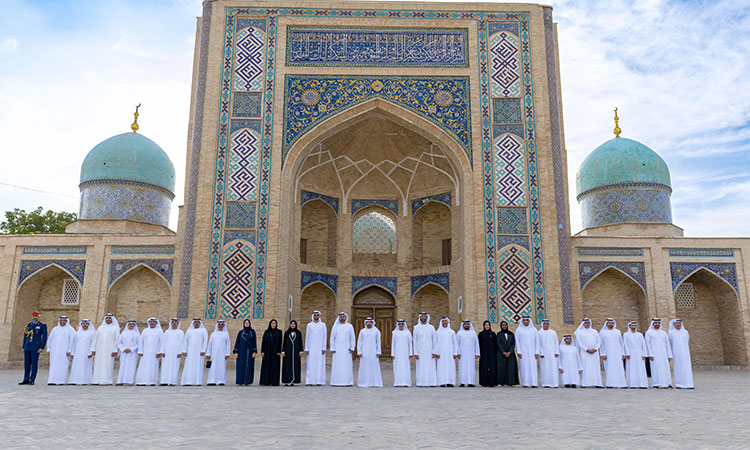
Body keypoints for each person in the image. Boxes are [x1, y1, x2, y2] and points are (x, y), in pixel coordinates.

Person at [90, 313, 120, 385]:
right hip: (99, 349)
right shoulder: (100, 328)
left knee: (108, 365)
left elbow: (117, 340)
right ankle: (96, 380)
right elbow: (95, 339)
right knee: (98, 364)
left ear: (112, 319)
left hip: (109, 350)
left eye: (109, 318)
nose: (108, 319)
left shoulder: (115, 328)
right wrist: (93, 349)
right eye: (107, 318)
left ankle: (107, 381)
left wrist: (115, 350)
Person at [19, 311, 47, 385]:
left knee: (34, 364)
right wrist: (23, 346)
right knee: (27, 364)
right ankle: (26, 379)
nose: (34, 317)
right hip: (27, 347)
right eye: (33, 316)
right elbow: (25, 336)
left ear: (39, 317)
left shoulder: (42, 325)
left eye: (36, 316)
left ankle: (32, 380)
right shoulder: (28, 325)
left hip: (35, 347)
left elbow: (44, 337)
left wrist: (41, 347)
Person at [574, 318, 603, 388]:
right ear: (583, 324)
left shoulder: (594, 331)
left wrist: (596, 349)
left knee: (595, 368)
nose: (587, 324)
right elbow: (579, 343)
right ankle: (584, 383)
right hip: (585, 353)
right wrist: (586, 349)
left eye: (588, 322)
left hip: (594, 353)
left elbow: (599, 341)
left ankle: (597, 383)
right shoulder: (579, 332)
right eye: (586, 323)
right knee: (585, 368)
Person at [46, 315, 75, 385]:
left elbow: (72, 341)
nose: (62, 322)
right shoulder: (55, 329)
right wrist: (48, 349)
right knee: (53, 365)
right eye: (61, 320)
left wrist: (70, 350)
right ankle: (51, 380)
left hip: (64, 352)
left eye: (64, 320)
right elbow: (50, 339)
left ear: (67, 321)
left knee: (62, 366)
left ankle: (60, 381)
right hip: (54, 351)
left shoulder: (70, 330)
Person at [329, 312, 355, 386]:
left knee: (347, 365)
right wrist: (332, 348)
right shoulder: (335, 327)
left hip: (347, 350)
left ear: (346, 317)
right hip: (337, 350)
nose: (342, 318)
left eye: (343, 317)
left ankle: (348, 382)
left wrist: (352, 347)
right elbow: (332, 338)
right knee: (337, 365)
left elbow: (352, 338)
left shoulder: (350, 326)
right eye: (341, 317)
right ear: (339, 318)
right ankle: (336, 382)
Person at [599, 318, 627, 388]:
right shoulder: (602, 332)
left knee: (619, 368)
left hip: (618, 353)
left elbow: (621, 343)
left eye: (612, 323)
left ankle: (621, 384)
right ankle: (610, 384)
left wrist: (623, 353)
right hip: (608, 353)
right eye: (609, 323)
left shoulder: (618, 331)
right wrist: (603, 354)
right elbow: (601, 344)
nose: (610, 324)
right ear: (606, 324)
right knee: (609, 368)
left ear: (614, 324)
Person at [645, 318, 672, 388]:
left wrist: (669, 355)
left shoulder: (663, 333)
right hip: (654, 354)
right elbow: (647, 344)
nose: (657, 324)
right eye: (655, 323)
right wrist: (650, 354)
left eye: (658, 323)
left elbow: (667, 344)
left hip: (664, 354)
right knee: (655, 368)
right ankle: (656, 383)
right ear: (653, 324)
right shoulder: (649, 333)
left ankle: (667, 383)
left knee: (665, 368)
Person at [135, 318, 163, 386]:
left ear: (156, 323)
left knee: (153, 366)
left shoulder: (159, 331)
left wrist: (159, 352)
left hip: (154, 352)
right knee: (143, 366)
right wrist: (140, 351)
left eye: (153, 322)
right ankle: (141, 381)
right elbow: (141, 341)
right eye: (150, 322)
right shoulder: (145, 330)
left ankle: (152, 381)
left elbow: (161, 342)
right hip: (145, 352)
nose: (152, 323)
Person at [356, 317, 383, 387]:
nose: (369, 323)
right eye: (367, 322)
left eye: (370, 322)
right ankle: (364, 382)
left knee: (374, 367)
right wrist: (359, 352)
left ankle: (375, 383)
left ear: (372, 323)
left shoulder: (376, 331)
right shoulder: (362, 331)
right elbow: (359, 342)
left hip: (374, 352)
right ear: (365, 323)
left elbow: (378, 342)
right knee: (365, 367)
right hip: (364, 352)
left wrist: (378, 351)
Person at [68, 319, 96, 385]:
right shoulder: (77, 333)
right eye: (83, 323)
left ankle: (85, 381)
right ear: (81, 324)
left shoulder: (92, 333)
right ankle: (74, 380)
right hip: (77, 353)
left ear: (89, 324)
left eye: (86, 323)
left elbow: (93, 343)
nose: (85, 325)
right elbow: (74, 344)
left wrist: (91, 352)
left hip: (87, 353)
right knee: (76, 366)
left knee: (85, 366)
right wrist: (72, 353)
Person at [413, 312, 437, 387]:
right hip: (420, 351)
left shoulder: (431, 327)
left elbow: (434, 340)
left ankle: (431, 382)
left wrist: (434, 351)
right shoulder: (416, 328)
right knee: (420, 366)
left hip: (430, 351)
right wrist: (416, 353)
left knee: (430, 366)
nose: (423, 317)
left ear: (427, 318)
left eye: (425, 316)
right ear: (420, 317)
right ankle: (420, 382)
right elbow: (415, 341)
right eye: (422, 316)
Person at [181, 318, 208, 386]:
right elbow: (185, 341)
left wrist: (203, 350)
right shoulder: (189, 331)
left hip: (199, 352)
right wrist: (184, 350)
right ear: (193, 323)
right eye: (195, 322)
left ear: (200, 323)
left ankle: (198, 381)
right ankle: (188, 381)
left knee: (198, 366)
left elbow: (205, 341)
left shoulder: (203, 330)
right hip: (190, 352)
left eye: (198, 322)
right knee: (189, 366)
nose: (196, 323)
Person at [668, 319, 694, 389]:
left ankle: (689, 384)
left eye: (679, 323)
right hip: (677, 353)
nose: (678, 325)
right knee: (678, 368)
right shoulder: (671, 333)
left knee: (687, 368)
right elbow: (670, 343)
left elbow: (687, 341)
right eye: (676, 323)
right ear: (673, 325)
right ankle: (679, 384)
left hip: (686, 353)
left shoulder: (685, 332)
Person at [623, 321, 648, 389]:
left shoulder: (639, 334)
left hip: (639, 353)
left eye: (634, 326)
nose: (633, 327)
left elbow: (643, 344)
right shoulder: (626, 334)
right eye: (632, 326)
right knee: (631, 368)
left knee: (640, 369)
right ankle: (632, 384)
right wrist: (627, 353)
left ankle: (642, 384)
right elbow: (625, 344)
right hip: (630, 354)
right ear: (630, 326)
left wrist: (644, 354)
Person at [305, 310, 327, 386]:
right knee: (310, 364)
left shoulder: (323, 325)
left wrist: (324, 347)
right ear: (313, 316)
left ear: (319, 316)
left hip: (320, 348)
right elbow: (307, 337)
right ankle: (309, 381)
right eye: (315, 315)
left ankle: (319, 381)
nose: (316, 316)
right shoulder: (309, 325)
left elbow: (325, 337)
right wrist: (306, 348)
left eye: (317, 315)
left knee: (319, 364)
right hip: (311, 348)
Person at [159, 318, 184, 386]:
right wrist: (162, 351)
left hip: (176, 353)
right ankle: (164, 381)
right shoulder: (167, 332)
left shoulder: (180, 332)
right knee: (165, 366)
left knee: (174, 366)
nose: (174, 323)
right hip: (167, 352)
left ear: (178, 324)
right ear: (171, 323)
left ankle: (173, 382)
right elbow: (163, 342)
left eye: (176, 322)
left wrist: (180, 352)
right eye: (173, 322)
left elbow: (182, 343)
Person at [515, 316, 538, 388]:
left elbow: (537, 342)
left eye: (527, 320)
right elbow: (517, 341)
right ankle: (525, 383)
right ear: (522, 321)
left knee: (533, 367)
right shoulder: (518, 330)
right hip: (523, 352)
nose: (525, 321)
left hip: (532, 352)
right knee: (524, 367)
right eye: (524, 320)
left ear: (529, 321)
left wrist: (537, 352)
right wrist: (519, 352)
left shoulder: (534, 330)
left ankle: (534, 383)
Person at [535, 319, 559, 388]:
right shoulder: (539, 333)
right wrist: (540, 353)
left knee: (553, 368)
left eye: (547, 324)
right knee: (545, 369)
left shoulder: (553, 332)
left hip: (552, 353)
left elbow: (556, 342)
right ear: (542, 324)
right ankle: (546, 383)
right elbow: (538, 344)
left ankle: (554, 383)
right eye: (544, 324)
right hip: (544, 354)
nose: (546, 325)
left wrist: (556, 351)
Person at [206, 320, 231, 386]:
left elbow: (228, 344)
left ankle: (221, 381)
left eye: (221, 325)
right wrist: (208, 354)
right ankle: (212, 380)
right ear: (217, 325)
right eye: (219, 324)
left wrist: (227, 353)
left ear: (223, 326)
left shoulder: (226, 334)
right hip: (213, 354)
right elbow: (210, 344)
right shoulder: (213, 334)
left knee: (221, 367)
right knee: (213, 367)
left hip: (222, 354)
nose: (220, 326)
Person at [434, 317, 457, 387]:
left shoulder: (452, 332)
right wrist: (436, 352)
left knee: (450, 367)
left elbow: (455, 343)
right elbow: (435, 343)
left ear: (448, 322)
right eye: (443, 321)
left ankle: (450, 382)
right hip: (441, 354)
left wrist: (455, 353)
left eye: (446, 321)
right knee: (441, 367)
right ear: (441, 322)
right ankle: (442, 382)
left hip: (450, 353)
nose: (444, 322)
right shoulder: (437, 332)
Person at [456, 320, 480, 387]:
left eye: (467, 324)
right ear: (463, 325)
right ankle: (462, 382)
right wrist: (457, 352)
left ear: (469, 325)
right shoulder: (459, 333)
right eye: (465, 324)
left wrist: (477, 353)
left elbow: (476, 344)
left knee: (471, 368)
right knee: (462, 368)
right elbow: (456, 344)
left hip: (471, 354)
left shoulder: (473, 333)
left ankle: (471, 382)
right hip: (462, 354)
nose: (466, 325)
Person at [259, 319, 283, 386]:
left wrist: (279, 351)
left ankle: (274, 381)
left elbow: (280, 342)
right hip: (267, 351)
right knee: (267, 366)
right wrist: (262, 351)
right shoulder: (266, 332)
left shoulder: (279, 332)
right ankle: (266, 381)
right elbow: (263, 342)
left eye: (275, 323)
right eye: (272, 323)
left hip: (275, 352)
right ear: (270, 324)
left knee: (274, 367)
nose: (273, 325)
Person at [234, 319, 257, 386]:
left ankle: (247, 381)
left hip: (249, 352)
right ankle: (240, 381)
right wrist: (236, 352)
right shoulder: (241, 332)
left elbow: (254, 342)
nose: (246, 324)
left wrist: (254, 351)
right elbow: (237, 342)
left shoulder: (252, 332)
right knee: (241, 366)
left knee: (249, 366)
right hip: (241, 352)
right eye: (245, 323)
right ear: (243, 324)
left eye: (248, 323)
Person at [116, 320, 140, 385]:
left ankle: (130, 381)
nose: (131, 326)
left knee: (131, 367)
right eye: (130, 324)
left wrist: (131, 349)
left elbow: (138, 344)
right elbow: (119, 343)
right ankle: (120, 381)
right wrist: (123, 349)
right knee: (122, 366)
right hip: (124, 353)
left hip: (132, 353)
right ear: (127, 325)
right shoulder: (123, 333)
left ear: (134, 325)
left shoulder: (137, 334)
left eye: (132, 324)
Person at [496, 320, 519, 386]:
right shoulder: (499, 334)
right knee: (502, 368)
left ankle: (510, 382)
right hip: (502, 354)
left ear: (507, 326)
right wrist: (504, 352)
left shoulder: (511, 334)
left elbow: (513, 343)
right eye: (503, 325)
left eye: (505, 325)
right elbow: (499, 343)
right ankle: (502, 382)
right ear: (501, 326)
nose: (504, 326)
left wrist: (510, 352)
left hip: (510, 354)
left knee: (510, 368)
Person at [391, 320, 413, 387]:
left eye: (402, 324)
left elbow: (410, 343)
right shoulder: (394, 333)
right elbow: (393, 344)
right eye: (399, 324)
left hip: (405, 353)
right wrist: (393, 353)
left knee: (405, 367)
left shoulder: (407, 333)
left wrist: (410, 353)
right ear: (398, 325)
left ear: (404, 325)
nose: (401, 325)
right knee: (397, 367)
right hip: (397, 353)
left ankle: (406, 382)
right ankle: (397, 382)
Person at [281, 320, 303, 385]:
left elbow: (300, 342)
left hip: (296, 352)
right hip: (288, 351)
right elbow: (284, 342)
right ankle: (286, 380)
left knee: (295, 365)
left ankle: (294, 380)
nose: (293, 325)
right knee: (287, 366)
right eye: (291, 324)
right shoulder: (287, 333)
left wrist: (301, 350)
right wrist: (283, 351)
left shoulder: (298, 333)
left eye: (294, 324)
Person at [477, 321, 497, 387]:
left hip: (492, 354)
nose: (487, 326)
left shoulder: (493, 334)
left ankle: (492, 382)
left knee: (492, 368)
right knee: (484, 367)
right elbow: (479, 344)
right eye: (486, 325)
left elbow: (495, 344)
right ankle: (484, 382)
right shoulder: (481, 334)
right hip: (484, 354)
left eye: (488, 325)